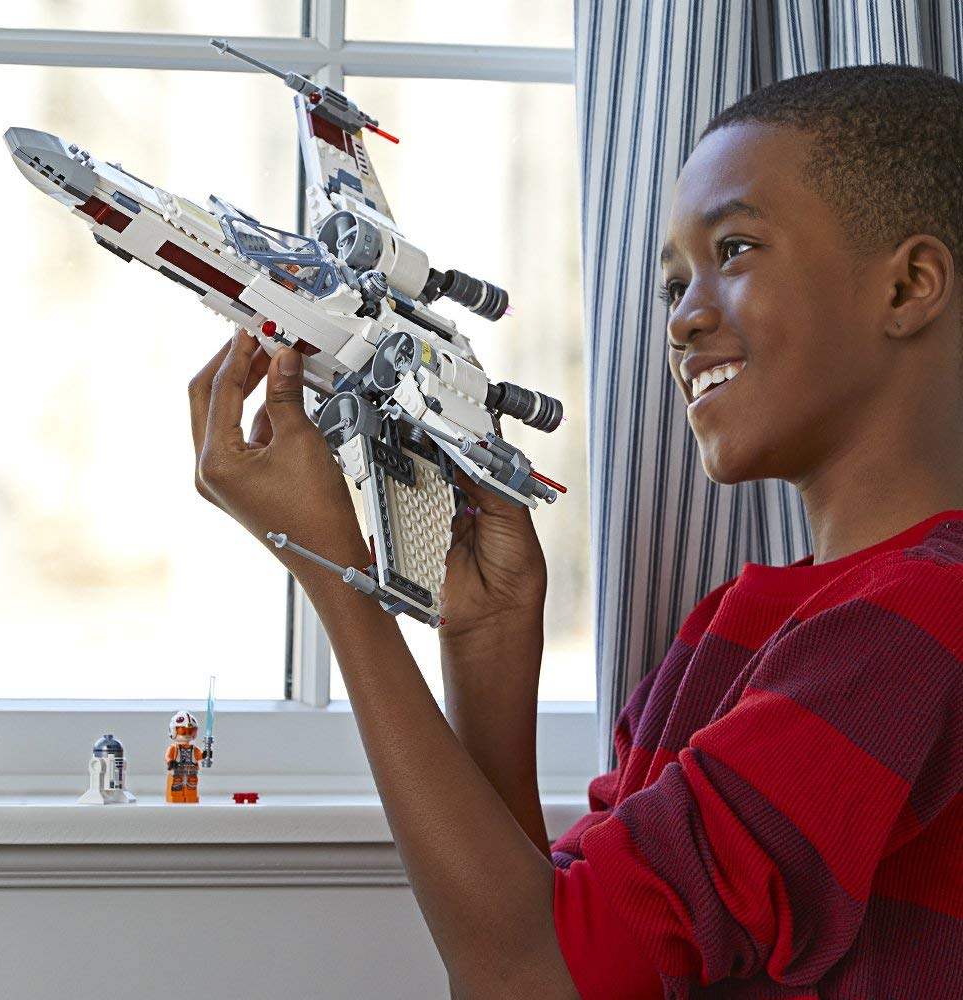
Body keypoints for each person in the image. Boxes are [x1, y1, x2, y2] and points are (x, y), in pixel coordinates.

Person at [186, 62, 962, 999]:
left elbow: (529, 975)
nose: (684, 319)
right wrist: (486, 651)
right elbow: (563, 933)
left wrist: (339, 583)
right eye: (671, 285)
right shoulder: (734, 628)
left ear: (911, 285)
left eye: (739, 249)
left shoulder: (920, 622)